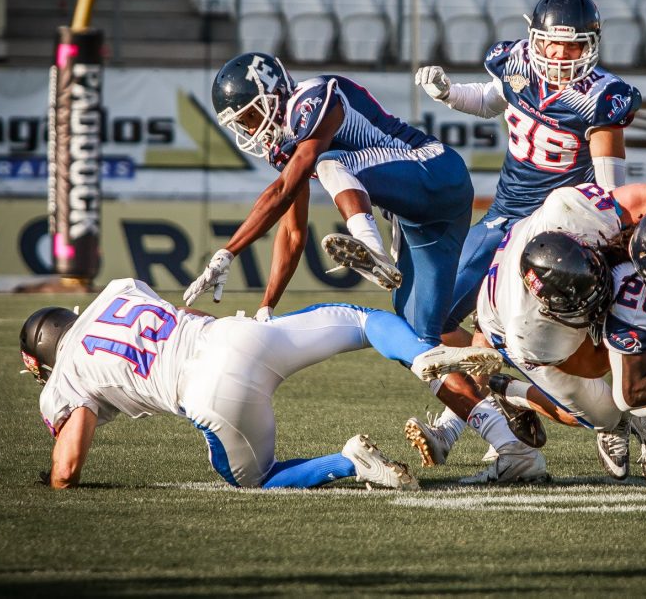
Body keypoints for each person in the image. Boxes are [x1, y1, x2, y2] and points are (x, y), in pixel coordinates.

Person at [181, 53, 520, 461]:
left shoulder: (312, 98)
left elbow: (287, 187)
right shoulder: (290, 145)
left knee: (329, 162)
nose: (251, 131)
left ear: (272, 94)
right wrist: (266, 306)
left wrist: (227, 251)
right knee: (419, 345)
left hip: (435, 171)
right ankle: (509, 441)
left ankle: (369, 246)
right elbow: (291, 230)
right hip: (418, 218)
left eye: (251, 118)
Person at [408, 183, 646, 487]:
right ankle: (507, 390)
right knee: (606, 412)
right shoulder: (537, 327)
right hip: (515, 327)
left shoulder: (591, 214)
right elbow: (604, 374)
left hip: (552, 266)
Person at [408, 0, 641, 475]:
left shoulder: (602, 96)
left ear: (592, 45)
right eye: (552, 45)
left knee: (524, 339)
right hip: (504, 214)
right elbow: (491, 101)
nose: (560, 55)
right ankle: (501, 405)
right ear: (534, 40)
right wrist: (450, 93)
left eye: (573, 46)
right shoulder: (514, 61)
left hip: (558, 233)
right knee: (437, 317)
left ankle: (506, 412)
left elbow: (609, 188)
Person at [19, 277, 488, 490]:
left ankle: (350, 463)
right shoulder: (117, 290)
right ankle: (424, 356)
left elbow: (68, 465)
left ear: (41, 357)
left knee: (256, 478)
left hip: (208, 393)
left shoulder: (65, 372)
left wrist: (54, 480)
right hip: (233, 334)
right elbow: (187, 316)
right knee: (365, 320)